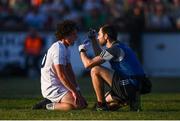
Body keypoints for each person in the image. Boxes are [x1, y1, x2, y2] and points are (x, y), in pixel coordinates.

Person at [78, 24, 148, 111]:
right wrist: (93, 40)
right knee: (107, 102)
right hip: (137, 85)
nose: (97, 38)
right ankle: (129, 101)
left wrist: (82, 50)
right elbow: (100, 56)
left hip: (128, 85)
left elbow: (88, 64)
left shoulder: (114, 49)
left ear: (106, 36)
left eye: (99, 35)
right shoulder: (120, 46)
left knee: (95, 69)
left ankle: (101, 106)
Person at [32, 20, 87, 111]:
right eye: (73, 34)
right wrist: (75, 93)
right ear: (65, 35)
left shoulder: (65, 48)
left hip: (59, 85)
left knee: (82, 104)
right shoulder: (59, 49)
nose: (76, 37)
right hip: (52, 87)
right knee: (76, 106)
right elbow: (61, 75)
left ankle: (54, 101)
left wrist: (78, 90)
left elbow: (69, 71)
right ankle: (47, 105)